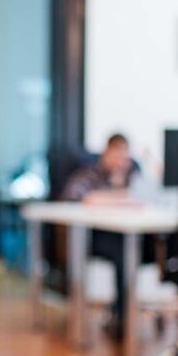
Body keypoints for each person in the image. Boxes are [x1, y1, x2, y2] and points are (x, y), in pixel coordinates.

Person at [61, 133, 145, 334]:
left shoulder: (134, 174)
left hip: (130, 235)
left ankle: (123, 314)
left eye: (123, 155)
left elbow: (147, 196)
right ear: (106, 153)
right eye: (115, 154)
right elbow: (77, 196)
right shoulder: (90, 174)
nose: (120, 160)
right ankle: (123, 319)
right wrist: (119, 195)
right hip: (97, 237)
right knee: (123, 255)